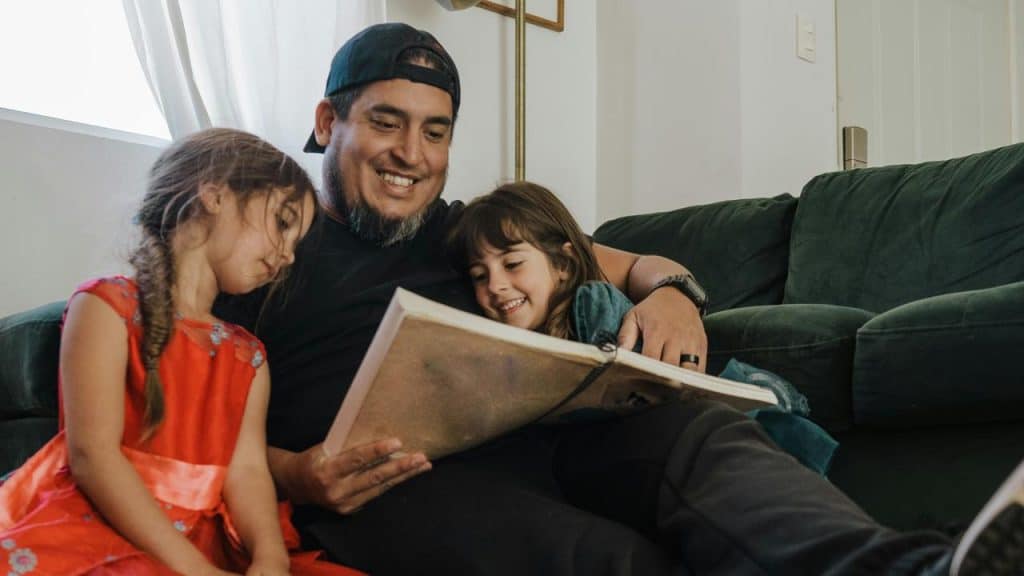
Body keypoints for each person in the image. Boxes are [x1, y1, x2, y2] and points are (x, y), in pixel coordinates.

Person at [215, 22, 1023, 576]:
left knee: (697, 436)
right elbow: (181, 410)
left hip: (546, 437)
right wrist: (295, 475)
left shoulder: (464, 229)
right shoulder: (263, 241)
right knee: (616, 559)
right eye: (387, 123)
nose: (411, 154)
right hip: (390, 484)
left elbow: (627, 263)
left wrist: (673, 292)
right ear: (328, 120)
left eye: (436, 131)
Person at [0, 128, 362, 576]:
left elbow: (247, 473)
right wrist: (195, 570)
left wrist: (271, 556)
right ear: (215, 195)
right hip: (107, 527)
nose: (288, 256)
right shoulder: (106, 308)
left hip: (208, 540)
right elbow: (92, 456)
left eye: (295, 244)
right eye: (283, 224)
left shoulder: (248, 356)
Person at [446, 180, 840, 476]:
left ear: (563, 264)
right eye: (479, 275)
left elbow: (652, 394)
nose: (495, 285)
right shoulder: (512, 344)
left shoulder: (591, 307)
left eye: (512, 264)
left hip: (712, 416)